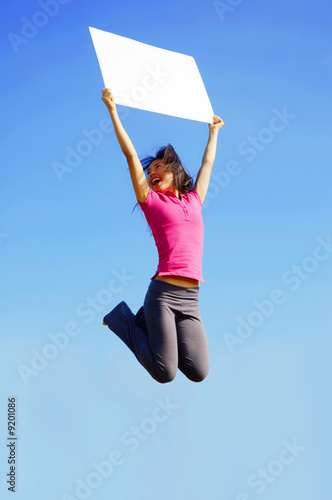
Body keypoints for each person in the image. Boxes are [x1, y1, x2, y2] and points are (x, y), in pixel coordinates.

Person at [101, 88, 224, 383]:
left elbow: (207, 165)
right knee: (164, 372)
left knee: (199, 371)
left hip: (191, 297)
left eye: (159, 167)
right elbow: (130, 155)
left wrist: (214, 133)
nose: (153, 172)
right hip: (163, 295)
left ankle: (148, 323)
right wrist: (113, 111)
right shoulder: (151, 202)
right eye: (151, 170)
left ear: (175, 171)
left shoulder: (194, 200)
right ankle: (123, 318)